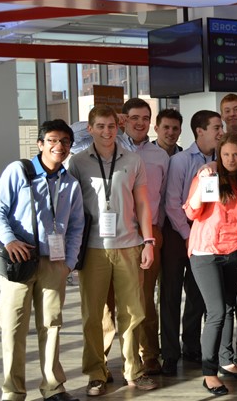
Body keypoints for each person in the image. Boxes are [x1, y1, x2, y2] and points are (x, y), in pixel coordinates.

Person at [0, 119, 84, 401]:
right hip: (19, 261)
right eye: (53, 140)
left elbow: (77, 225)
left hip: (54, 263)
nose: (59, 146)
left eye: (65, 141)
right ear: (40, 144)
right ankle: (13, 391)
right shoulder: (19, 171)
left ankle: (54, 387)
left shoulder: (70, 183)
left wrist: (69, 262)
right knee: (14, 327)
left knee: (52, 324)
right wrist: (9, 240)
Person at [67, 105, 158, 396]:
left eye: (111, 126)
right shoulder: (78, 162)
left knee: (132, 312)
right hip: (93, 248)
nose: (107, 132)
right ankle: (96, 372)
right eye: (101, 126)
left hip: (129, 245)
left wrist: (149, 241)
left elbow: (143, 203)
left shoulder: (132, 160)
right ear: (90, 129)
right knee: (94, 314)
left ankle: (134, 369)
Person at [184, 133, 237, 396]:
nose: (232, 159)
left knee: (228, 307)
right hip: (205, 252)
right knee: (216, 313)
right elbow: (191, 212)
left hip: (233, 251)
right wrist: (203, 183)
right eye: (226, 155)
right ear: (218, 156)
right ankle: (209, 372)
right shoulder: (209, 176)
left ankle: (226, 361)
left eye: (236, 154)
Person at [161, 110, 221, 375]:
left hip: (206, 238)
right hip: (178, 234)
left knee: (198, 296)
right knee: (171, 295)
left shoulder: (222, 160)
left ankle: (192, 348)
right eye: (216, 128)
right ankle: (171, 354)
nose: (221, 132)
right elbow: (172, 204)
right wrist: (188, 235)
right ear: (200, 131)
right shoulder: (180, 160)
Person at [116, 98, 169, 375]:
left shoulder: (160, 155)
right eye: (134, 117)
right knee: (114, 301)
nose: (140, 123)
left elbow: (164, 198)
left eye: (145, 118)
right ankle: (105, 362)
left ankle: (149, 355)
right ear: (123, 120)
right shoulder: (111, 149)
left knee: (147, 298)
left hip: (151, 233)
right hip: (118, 234)